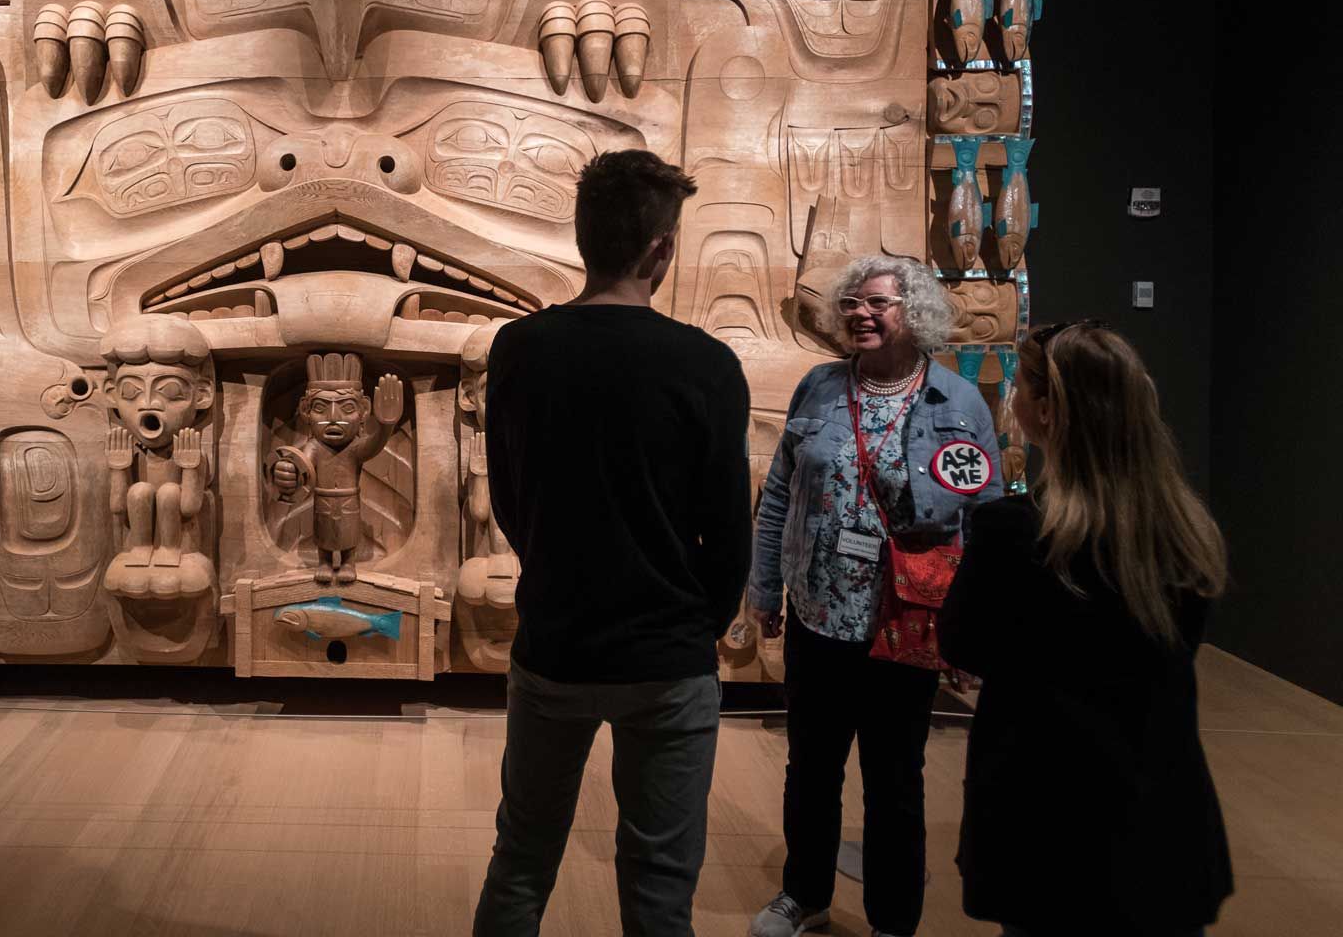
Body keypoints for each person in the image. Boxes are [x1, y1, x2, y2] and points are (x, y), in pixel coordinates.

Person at [472, 149, 752, 937]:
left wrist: (553, 573)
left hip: (555, 643)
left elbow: (507, 495)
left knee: (521, 859)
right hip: (666, 657)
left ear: (582, 235)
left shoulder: (520, 348)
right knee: (660, 886)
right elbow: (727, 529)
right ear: (661, 249)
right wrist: (699, 622)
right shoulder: (706, 364)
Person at [939, 322, 1232, 936]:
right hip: (1162, 825)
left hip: (1046, 824)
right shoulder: (1185, 537)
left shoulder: (1012, 533)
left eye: (1020, 386)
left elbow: (964, 645)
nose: (1014, 398)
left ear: (1045, 411)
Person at [745, 256, 1000, 937]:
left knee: (895, 780)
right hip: (819, 615)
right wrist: (765, 584)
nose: (861, 313)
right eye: (852, 302)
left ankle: (893, 920)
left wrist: (973, 631)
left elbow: (984, 523)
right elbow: (778, 494)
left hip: (906, 624)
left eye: (878, 303)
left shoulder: (957, 403)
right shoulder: (820, 388)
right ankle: (804, 896)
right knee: (812, 769)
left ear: (914, 312)